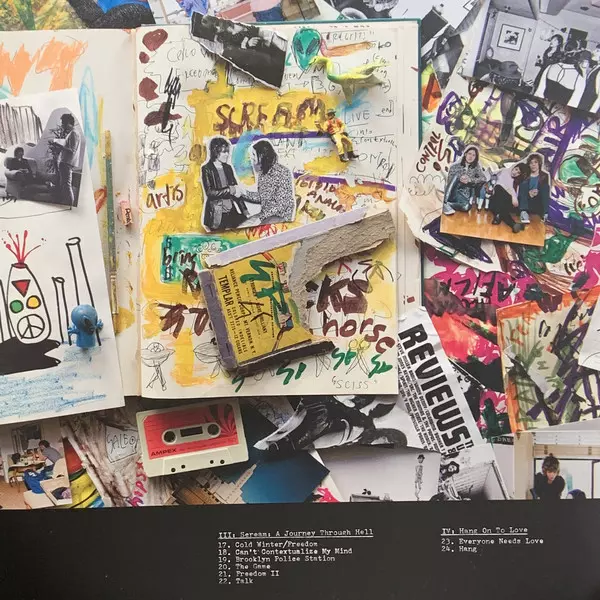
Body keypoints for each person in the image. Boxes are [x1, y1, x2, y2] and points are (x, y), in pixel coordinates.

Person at [201, 137, 248, 230]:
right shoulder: (207, 169)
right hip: (217, 216)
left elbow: (236, 190)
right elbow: (210, 192)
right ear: (215, 152)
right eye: (224, 152)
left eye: (227, 152)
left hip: (231, 213)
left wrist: (244, 210)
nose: (227, 155)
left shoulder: (228, 168)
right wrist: (230, 190)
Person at [244, 140, 295, 225]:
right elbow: (262, 196)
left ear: (262, 155)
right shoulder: (262, 172)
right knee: (244, 225)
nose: (251, 157)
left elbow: (280, 205)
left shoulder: (282, 172)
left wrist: (260, 218)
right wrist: (243, 193)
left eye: (253, 154)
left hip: (280, 216)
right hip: (266, 215)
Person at [442, 146, 486, 215]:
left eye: (473, 155)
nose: (471, 157)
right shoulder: (455, 166)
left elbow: (483, 178)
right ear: (465, 154)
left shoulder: (476, 168)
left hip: (462, 196)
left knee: (467, 207)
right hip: (452, 192)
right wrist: (460, 178)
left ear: (475, 158)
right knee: (456, 175)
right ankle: (445, 201)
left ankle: (447, 204)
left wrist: (470, 180)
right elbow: (449, 180)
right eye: (469, 154)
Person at [51, 113, 81, 206]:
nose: (62, 125)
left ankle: (69, 205)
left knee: (66, 186)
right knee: (65, 185)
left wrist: (58, 145)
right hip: (66, 162)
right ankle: (67, 204)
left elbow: (72, 150)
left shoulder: (74, 133)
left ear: (68, 123)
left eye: (63, 123)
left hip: (67, 162)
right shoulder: (72, 133)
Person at [489, 163, 527, 233]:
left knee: (501, 207)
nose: (515, 173)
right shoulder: (504, 171)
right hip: (495, 198)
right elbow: (499, 183)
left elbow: (511, 189)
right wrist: (513, 196)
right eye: (516, 169)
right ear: (514, 167)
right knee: (499, 188)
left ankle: (498, 216)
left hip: (503, 202)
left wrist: (514, 197)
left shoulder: (513, 180)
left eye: (518, 173)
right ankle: (513, 224)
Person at [518, 153, 550, 224]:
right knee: (523, 185)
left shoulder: (544, 176)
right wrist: (529, 193)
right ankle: (523, 212)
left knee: (545, 187)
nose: (533, 165)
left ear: (539, 164)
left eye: (535, 162)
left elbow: (545, 194)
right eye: (531, 163)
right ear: (529, 165)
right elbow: (520, 192)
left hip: (537, 202)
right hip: (526, 201)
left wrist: (537, 192)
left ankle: (545, 214)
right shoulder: (525, 175)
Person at [577, 44, 600, 113]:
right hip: (584, 102)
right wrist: (584, 72)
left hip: (588, 106)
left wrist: (591, 112)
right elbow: (588, 85)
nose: (593, 52)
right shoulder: (596, 66)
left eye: (597, 51)